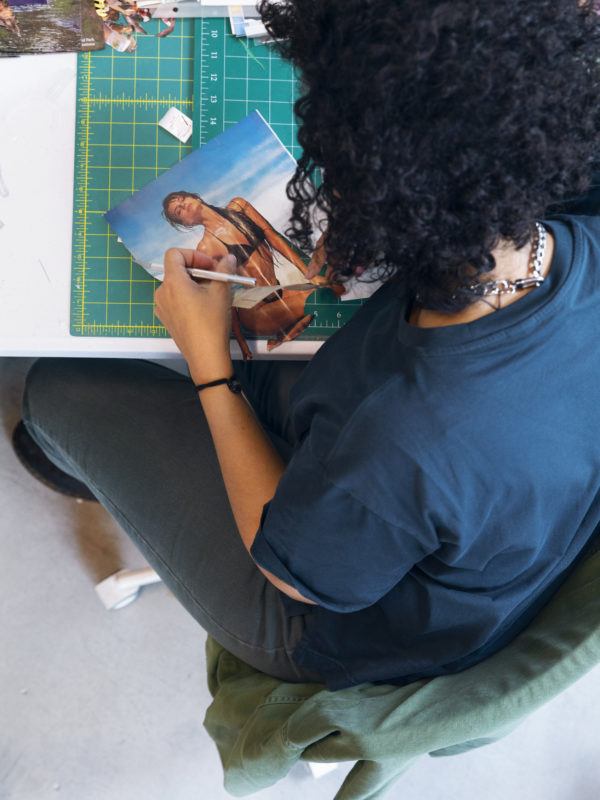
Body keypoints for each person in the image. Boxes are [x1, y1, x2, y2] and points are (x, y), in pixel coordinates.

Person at [14, 0, 600, 689]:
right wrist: (392, 234)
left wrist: (209, 368)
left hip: (327, 614)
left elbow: (290, 576)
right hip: (468, 516)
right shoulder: (564, 225)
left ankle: (69, 457)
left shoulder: (403, 436)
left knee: (57, 387)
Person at [161, 190, 329, 357]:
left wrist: (309, 273)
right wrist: (243, 345)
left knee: (327, 291)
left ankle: (286, 332)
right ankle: (286, 329)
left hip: (279, 292)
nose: (183, 204)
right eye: (179, 211)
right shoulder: (206, 248)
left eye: (181, 199)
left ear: (195, 197)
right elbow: (227, 295)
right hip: (256, 311)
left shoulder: (239, 206)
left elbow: (273, 237)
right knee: (317, 301)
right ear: (187, 224)